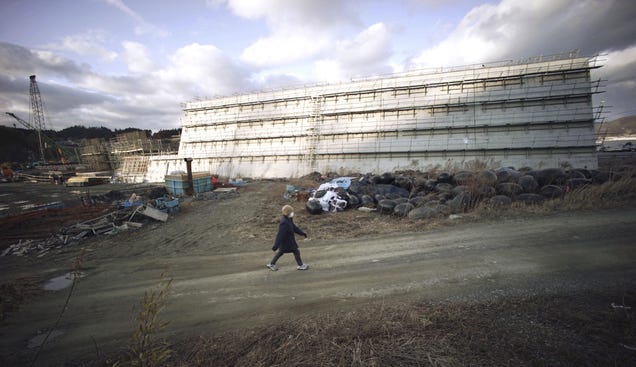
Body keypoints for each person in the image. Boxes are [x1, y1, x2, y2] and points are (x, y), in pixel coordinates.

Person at [267, 205, 309, 271]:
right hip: (286, 242)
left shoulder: (289, 220)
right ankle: (300, 265)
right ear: (288, 213)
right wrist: (276, 246)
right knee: (294, 251)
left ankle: (271, 264)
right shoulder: (284, 222)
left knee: (286, 252)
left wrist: (302, 233)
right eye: (292, 212)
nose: (293, 213)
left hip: (290, 241)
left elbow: (294, 228)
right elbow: (280, 235)